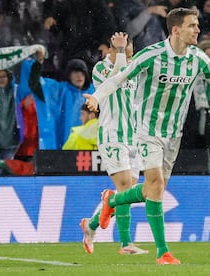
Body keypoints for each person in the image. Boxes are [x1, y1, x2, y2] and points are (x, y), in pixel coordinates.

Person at [84, 7, 210, 265]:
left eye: (197, 25)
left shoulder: (197, 58)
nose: (198, 30)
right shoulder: (150, 56)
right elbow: (118, 78)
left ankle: (111, 203)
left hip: (173, 135)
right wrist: (97, 97)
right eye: (192, 25)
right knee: (153, 186)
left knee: (155, 190)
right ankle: (162, 252)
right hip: (147, 132)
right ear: (176, 30)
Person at [80, 32, 148, 255]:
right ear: (112, 49)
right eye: (124, 48)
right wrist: (119, 52)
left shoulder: (135, 69)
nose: (130, 52)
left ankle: (90, 225)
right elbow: (116, 78)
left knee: (126, 193)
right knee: (125, 188)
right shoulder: (101, 68)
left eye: (129, 48)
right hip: (112, 135)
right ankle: (126, 243)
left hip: (134, 138)